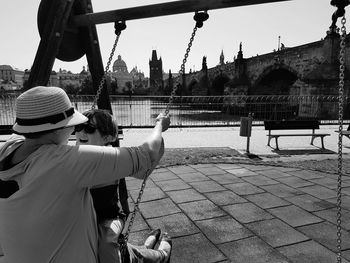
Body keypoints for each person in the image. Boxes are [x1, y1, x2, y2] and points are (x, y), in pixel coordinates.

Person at [0, 86, 170, 263]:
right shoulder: (66, 161)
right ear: (59, 128)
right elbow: (146, 155)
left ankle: (155, 253)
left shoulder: (9, 146)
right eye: (75, 124)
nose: (76, 130)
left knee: (108, 242)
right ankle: (158, 254)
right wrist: (159, 125)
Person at [75, 109, 172, 263]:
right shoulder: (72, 156)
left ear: (107, 137)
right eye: (78, 127)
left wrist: (159, 132)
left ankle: (161, 256)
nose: (81, 133)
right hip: (84, 220)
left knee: (106, 244)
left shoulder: (110, 157)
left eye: (89, 129)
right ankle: (145, 250)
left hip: (107, 217)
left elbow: (143, 169)